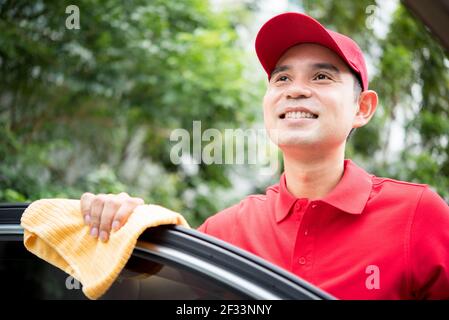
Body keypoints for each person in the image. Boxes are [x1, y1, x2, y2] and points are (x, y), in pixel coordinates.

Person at [79, 12, 449, 299]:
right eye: (282, 79)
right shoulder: (226, 230)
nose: (295, 91)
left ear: (362, 108)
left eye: (321, 77)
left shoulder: (418, 215)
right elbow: (146, 297)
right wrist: (115, 234)